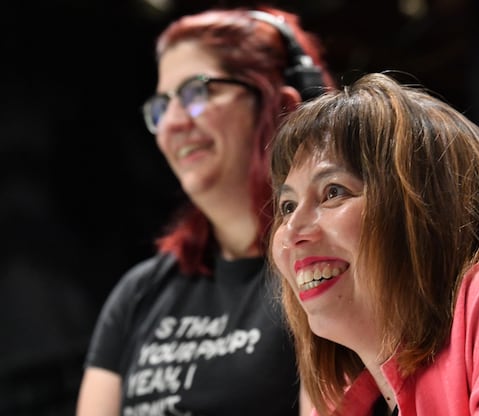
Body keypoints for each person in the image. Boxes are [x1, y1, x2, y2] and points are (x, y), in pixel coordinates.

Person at [269, 72, 479, 416]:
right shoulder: (349, 401)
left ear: (425, 208)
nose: (291, 231)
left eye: (333, 192)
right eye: (287, 206)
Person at [76, 6, 335, 416]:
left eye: (198, 91)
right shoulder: (140, 293)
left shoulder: (324, 267)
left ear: (280, 102)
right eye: (162, 104)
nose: (173, 123)